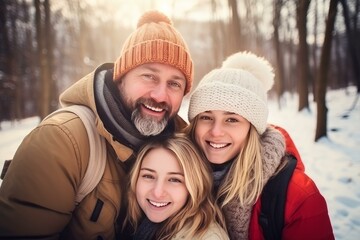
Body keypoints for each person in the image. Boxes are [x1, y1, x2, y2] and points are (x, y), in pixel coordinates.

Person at [0, 10, 193, 239]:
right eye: (149, 76)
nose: (161, 95)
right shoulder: (63, 140)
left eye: (174, 84)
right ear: (121, 77)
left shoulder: (185, 148)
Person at [185, 51, 334, 239]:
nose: (216, 131)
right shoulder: (174, 177)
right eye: (206, 117)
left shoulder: (298, 196)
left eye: (231, 119)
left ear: (253, 128)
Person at [124, 133, 229, 240]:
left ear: (194, 186)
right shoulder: (135, 225)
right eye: (149, 176)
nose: (157, 192)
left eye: (174, 180)